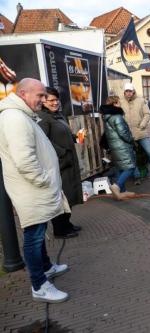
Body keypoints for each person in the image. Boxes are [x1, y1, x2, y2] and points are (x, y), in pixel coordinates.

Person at [0, 78, 71, 303]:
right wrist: (43, 181)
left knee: (37, 233)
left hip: (33, 188)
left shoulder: (20, 116)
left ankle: (46, 267)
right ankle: (39, 285)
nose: (43, 100)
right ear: (23, 94)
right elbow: (25, 160)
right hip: (31, 189)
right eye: (39, 96)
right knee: (33, 235)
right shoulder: (14, 118)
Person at [37, 87, 82, 239]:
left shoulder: (58, 115)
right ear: (43, 101)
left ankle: (67, 223)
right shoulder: (43, 117)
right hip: (58, 163)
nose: (55, 103)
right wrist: (62, 153)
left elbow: (64, 133)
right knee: (61, 196)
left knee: (69, 195)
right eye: (51, 100)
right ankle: (60, 229)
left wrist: (75, 137)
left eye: (57, 99)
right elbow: (43, 141)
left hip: (68, 161)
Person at [120, 82, 150, 184]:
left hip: (141, 132)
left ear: (133, 91)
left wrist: (142, 125)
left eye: (130, 91)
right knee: (132, 156)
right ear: (124, 92)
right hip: (128, 134)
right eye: (126, 91)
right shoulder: (120, 101)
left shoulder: (141, 100)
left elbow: (147, 114)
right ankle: (137, 176)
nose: (128, 93)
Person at [100, 96, 136, 197]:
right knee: (130, 167)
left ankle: (122, 192)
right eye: (119, 102)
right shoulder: (117, 116)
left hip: (115, 146)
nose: (120, 104)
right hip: (122, 146)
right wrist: (131, 140)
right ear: (115, 103)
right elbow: (123, 133)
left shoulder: (107, 116)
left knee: (120, 168)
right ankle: (117, 186)